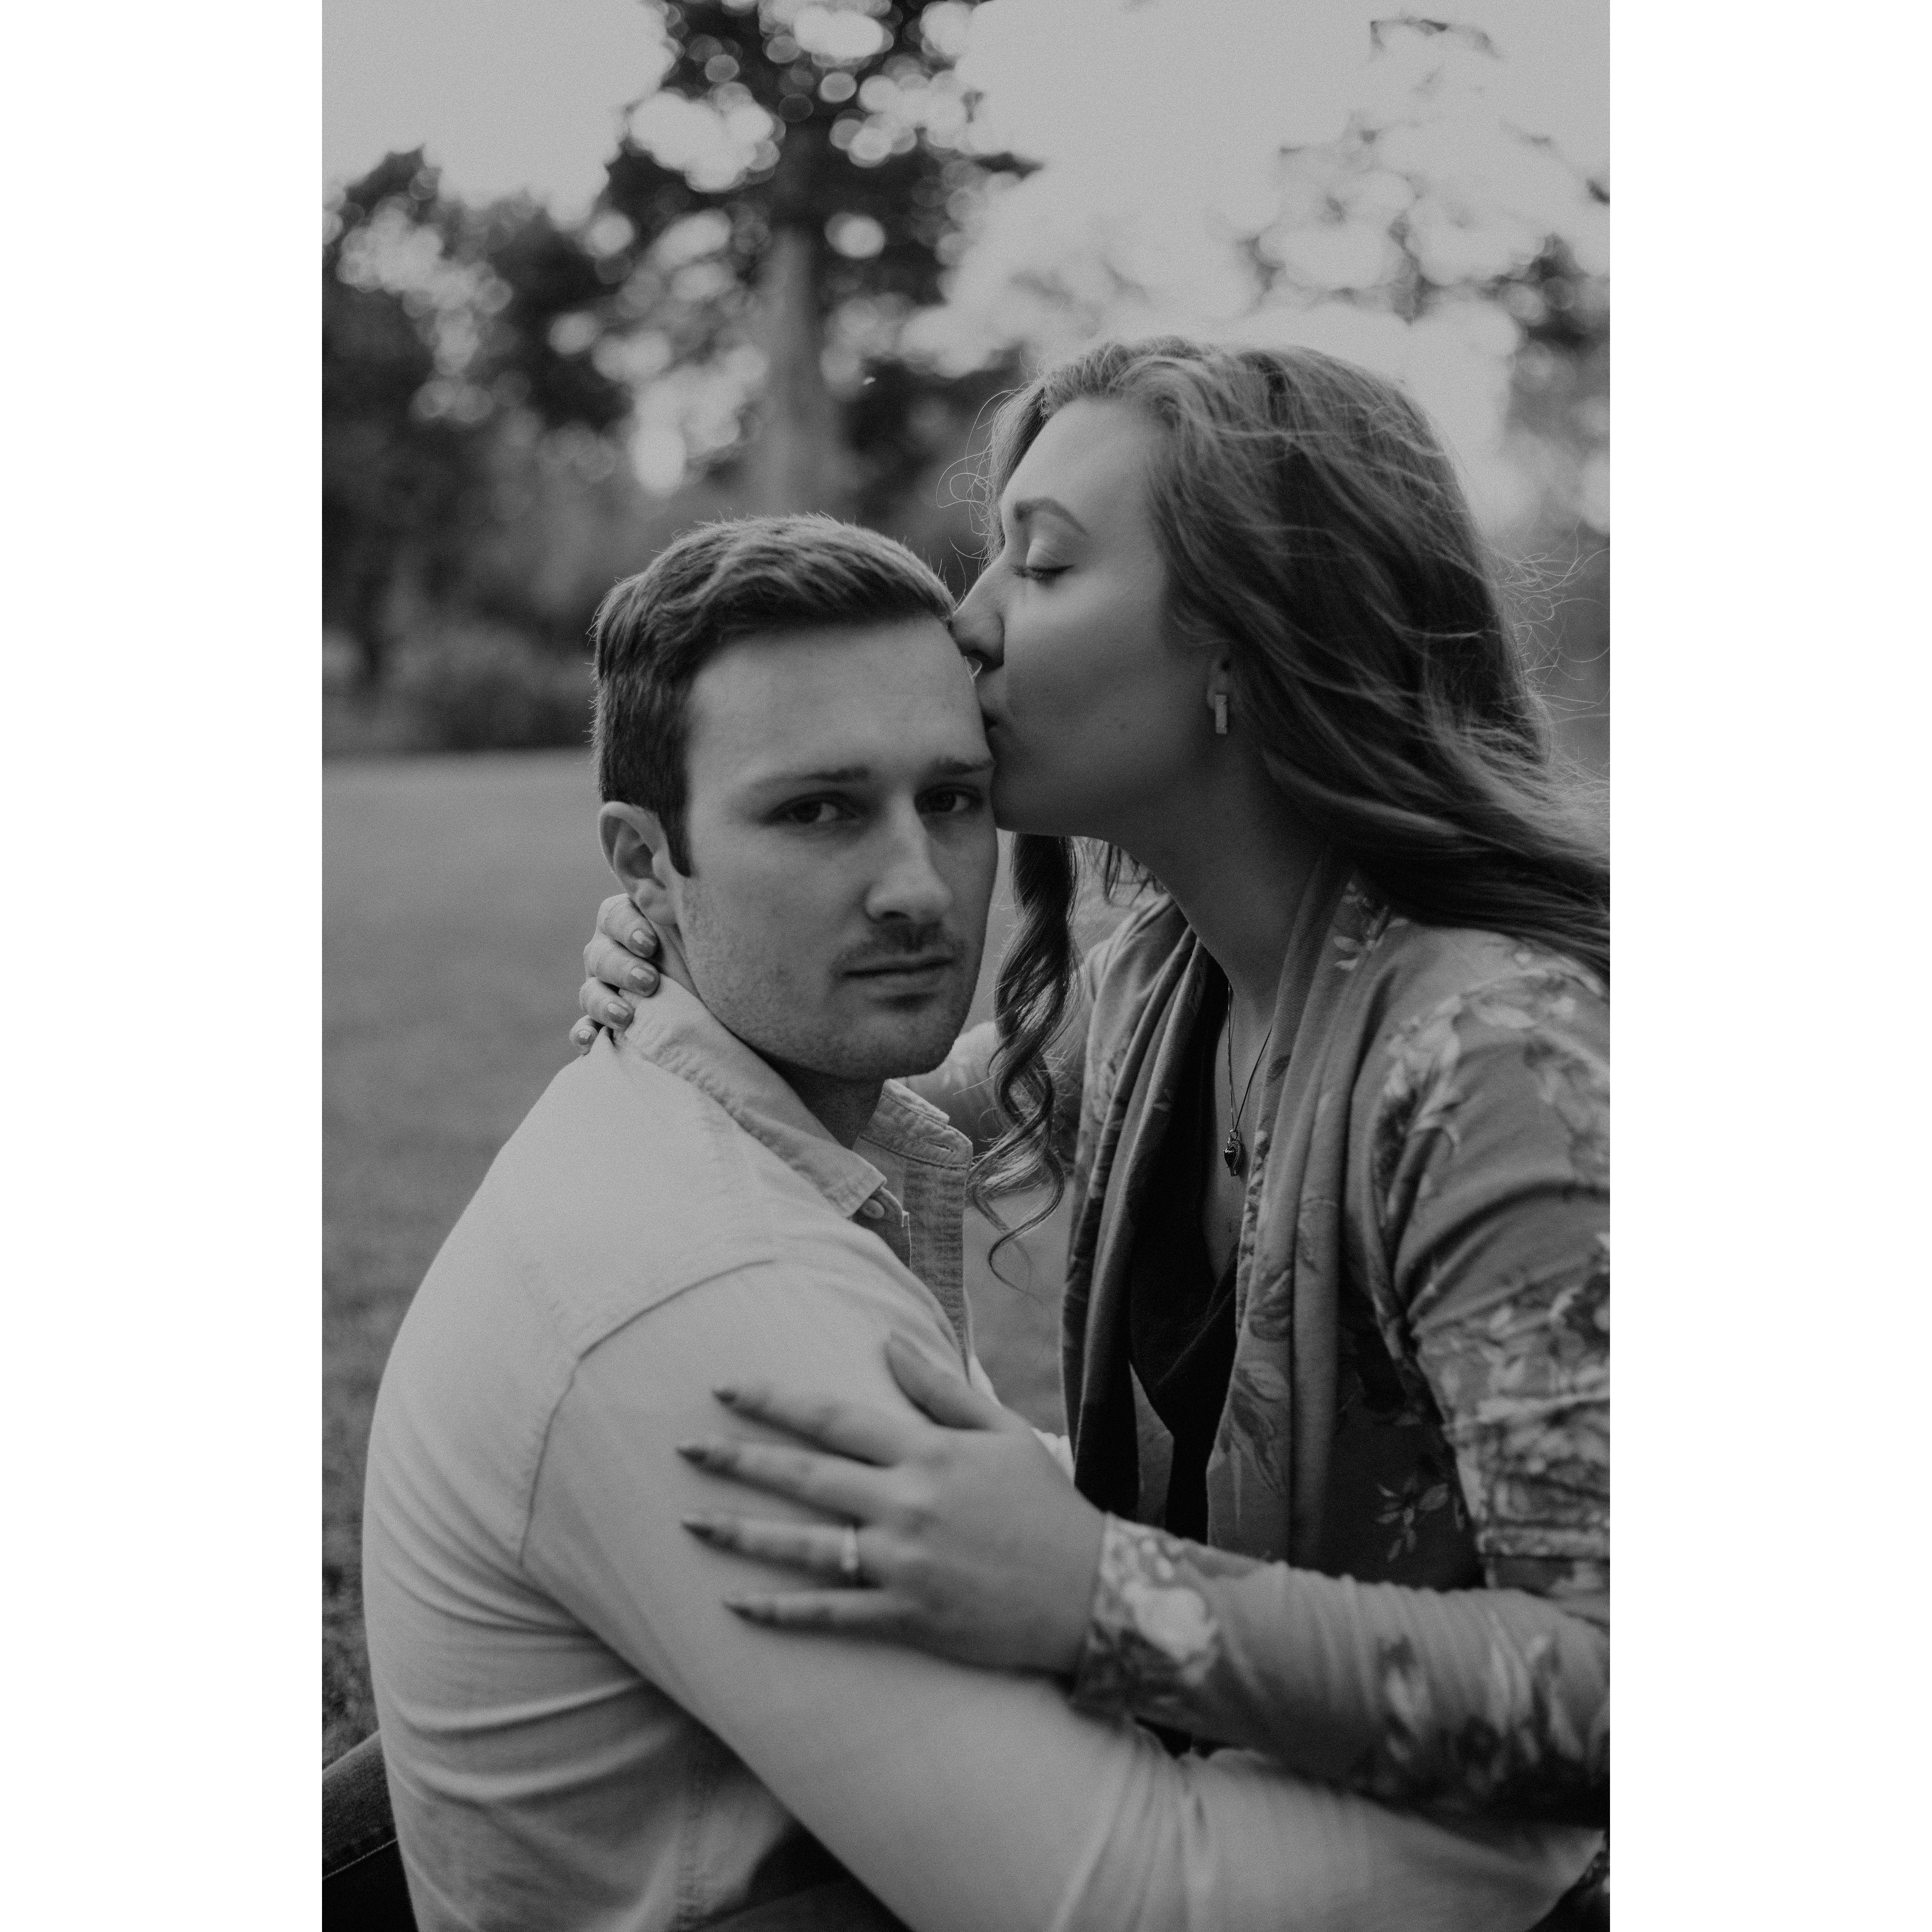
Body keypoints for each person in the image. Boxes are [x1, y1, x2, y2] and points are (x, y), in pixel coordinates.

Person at [359, 511, 1599, 1932]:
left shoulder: (1408, 1041)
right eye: (815, 810)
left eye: (952, 799)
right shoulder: (722, 1276)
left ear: (1243, 642)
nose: (912, 889)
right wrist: (1536, 1843)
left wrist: (1089, 1566)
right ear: (642, 858)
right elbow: (1138, 1901)